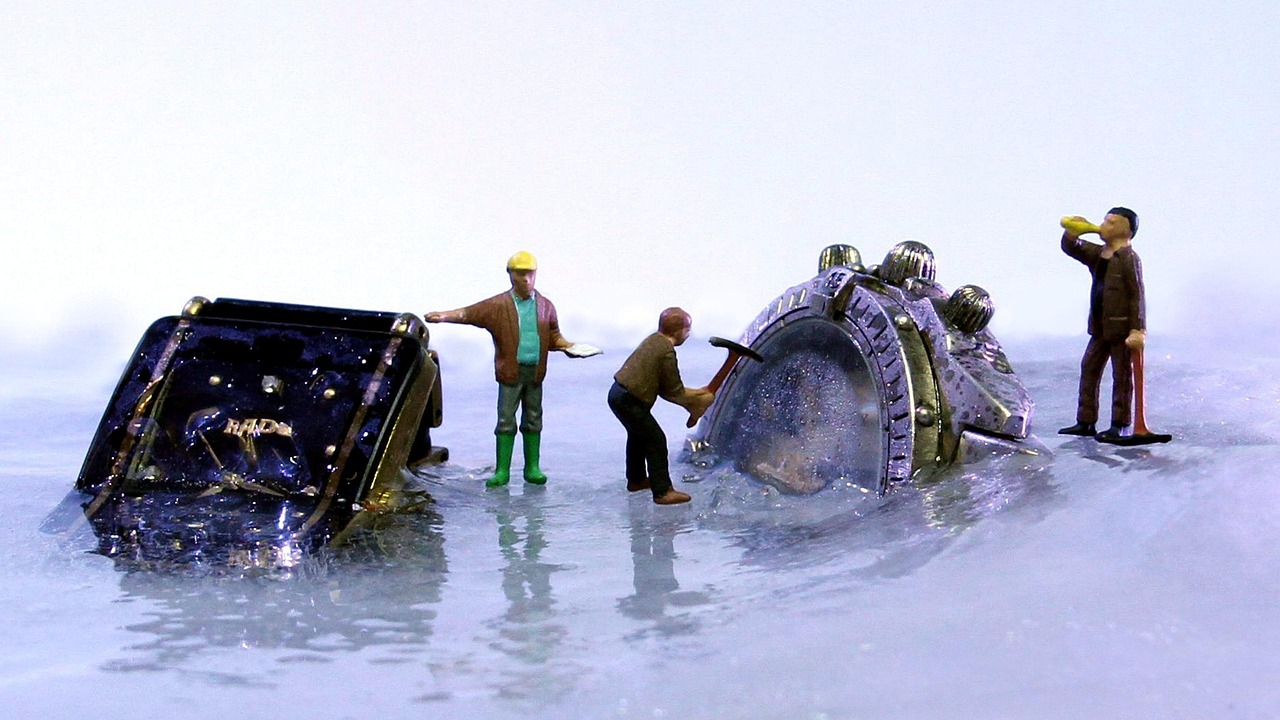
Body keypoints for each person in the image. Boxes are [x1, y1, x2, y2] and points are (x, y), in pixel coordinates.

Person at [426, 251, 595, 487]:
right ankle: (502, 470)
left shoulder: (545, 306)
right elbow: (469, 313)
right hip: (510, 374)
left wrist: (568, 346)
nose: (526, 279)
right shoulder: (498, 305)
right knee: (506, 420)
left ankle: (532, 468)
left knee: (534, 418)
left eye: (529, 273)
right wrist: (444, 316)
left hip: (535, 374)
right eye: (520, 274)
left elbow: (554, 336)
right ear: (510, 275)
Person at [608, 308, 714, 505]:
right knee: (656, 440)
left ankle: (637, 480)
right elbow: (673, 390)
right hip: (631, 400)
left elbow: (667, 390)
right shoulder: (666, 351)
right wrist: (697, 399)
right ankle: (663, 491)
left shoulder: (653, 340)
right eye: (687, 330)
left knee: (638, 437)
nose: (689, 334)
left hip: (618, 394)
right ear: (677, 331)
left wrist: (695, 395)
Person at [1058, 207, 1146, 442]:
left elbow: (1137, 294)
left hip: (1121, 331)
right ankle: (1085, 421)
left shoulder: (1128, 258)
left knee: (1122, 376)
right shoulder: (1100, 254)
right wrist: (1071, 234)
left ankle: (1120, 424)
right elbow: (1072, 249)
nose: (1103, 226)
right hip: (1099, 328)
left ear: (1124, 230)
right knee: (1089, 369)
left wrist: (1138, 329)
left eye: (1110, 223)